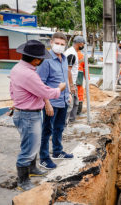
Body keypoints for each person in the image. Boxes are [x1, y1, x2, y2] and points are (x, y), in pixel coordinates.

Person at [10, 40, 66, 191]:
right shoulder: (28, 74)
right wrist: (59, 89)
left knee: (32, 144)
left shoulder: (17, 68)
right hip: (28, 115)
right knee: (28, 149)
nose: (42, 60)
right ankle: (23, 181)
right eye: (41, 58)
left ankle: (32, 169)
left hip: (25, 113)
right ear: (36, 60)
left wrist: (17, 101)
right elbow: (46, 92)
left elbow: (13, 90)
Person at [37, 32, 74, 170]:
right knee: (47, 130)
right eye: (57, 43)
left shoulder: (64, 59)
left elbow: (64, 79)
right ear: (51, 43)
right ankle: (44, 158)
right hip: (51, 103)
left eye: (62, 44)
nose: (59, 46)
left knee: (59, 127)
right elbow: (41, 84)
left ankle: (57, 151)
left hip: (63, 100)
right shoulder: (45, 61)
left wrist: (69, 93)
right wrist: (47, 103)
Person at [65, 36, 85, 123]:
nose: (83, 45)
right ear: (79, 44)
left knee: (76, 102)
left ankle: (72, 120)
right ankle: (64, 123)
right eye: (83, 44)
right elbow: (68, 70)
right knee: (70, 104)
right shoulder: (72, 53)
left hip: (72, 82)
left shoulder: (73, 52)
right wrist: (71, 85)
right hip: (70, 83)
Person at [76, 50, 90, 115]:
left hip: (72, 75)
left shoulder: (68, 53)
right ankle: (78, 110)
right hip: (79, 75)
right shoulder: (82, 56)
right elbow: (85, 68)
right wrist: (87, 78)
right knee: (79, 93)